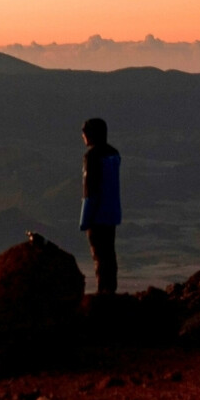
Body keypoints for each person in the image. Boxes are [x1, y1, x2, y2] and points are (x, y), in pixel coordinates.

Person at [79, 117, 122, 295]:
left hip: (97, 215)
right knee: (109, 254)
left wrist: (85, 218)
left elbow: (90, 190)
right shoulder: (114, 154)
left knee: (99, 256)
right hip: (111, 213)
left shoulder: (91, 156)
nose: (83, 137)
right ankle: (110, 290)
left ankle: (103, 293)